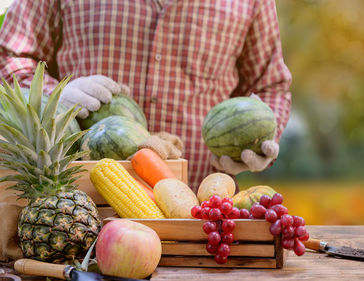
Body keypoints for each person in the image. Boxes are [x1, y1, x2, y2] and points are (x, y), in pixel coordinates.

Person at [0, 0, 292, 189]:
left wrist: (262, 141)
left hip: (201, 214)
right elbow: (10, 55)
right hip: (79, 210)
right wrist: (54, 98)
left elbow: (271, 85)